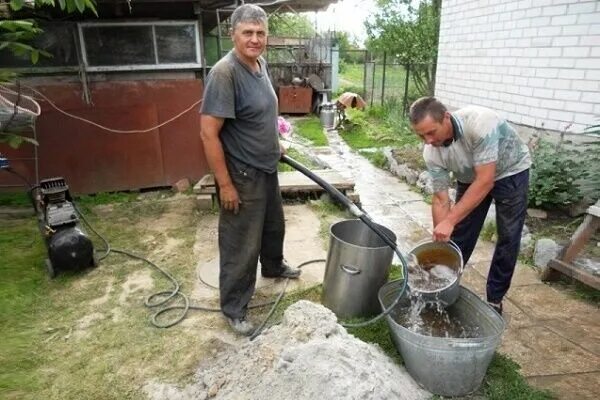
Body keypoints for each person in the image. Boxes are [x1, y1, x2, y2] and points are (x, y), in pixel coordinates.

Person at [200, 4, 300, 336]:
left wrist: (275, 142)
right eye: (247, 33)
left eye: (260, 33)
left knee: (274, 226)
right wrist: (225, 184)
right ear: (234, 35)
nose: (254, 39)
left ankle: (273, 267)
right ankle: (234, 307)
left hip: (266, 166)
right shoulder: (224, 73)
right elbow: (208, 133)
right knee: (241, 243)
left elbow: (260, 114)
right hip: (241, 175)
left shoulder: (260, 64)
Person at [408, 97, 531, 315]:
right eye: (421, 135)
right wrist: (441, 238)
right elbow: (440, 199)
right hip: (470, 177)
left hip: (510, 172)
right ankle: (443, 287)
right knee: (459, 236)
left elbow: (485, 181)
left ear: (446, 117)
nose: (427, 140)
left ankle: (494, 298)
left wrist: (450, 220)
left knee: (509, 236)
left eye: (431, 132)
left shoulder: (480, 123)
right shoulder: (431, 151)